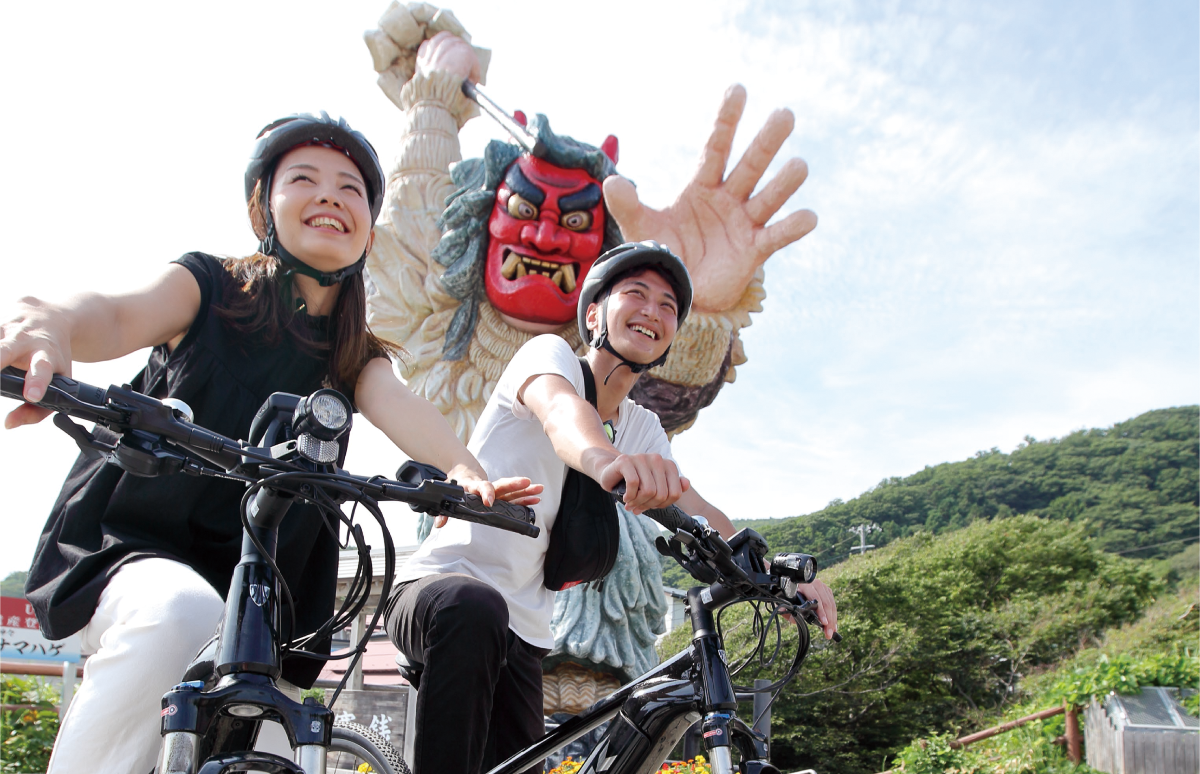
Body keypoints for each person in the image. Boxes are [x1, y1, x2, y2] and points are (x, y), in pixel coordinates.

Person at [0, 113, 540, 774]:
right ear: (264, 204)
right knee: (178, 617)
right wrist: (50, 325)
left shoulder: (352, 356)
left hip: (265, 592)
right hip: (133, 548)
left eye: (352, 189)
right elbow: (113, 313)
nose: (331, 196)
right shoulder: (206, 288)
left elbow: (407, 410)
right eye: (304, 179)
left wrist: (465, 474)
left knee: (284, 740)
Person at [384, 241, 838, 774]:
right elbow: (560, 412)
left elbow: (698, 509)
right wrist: (605, 462)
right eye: (637, 294)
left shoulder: (642, 426)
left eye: (668, 306)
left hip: (523, 636)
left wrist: (775, 576)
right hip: (440, 591)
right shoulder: (548, 356)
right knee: (474, 607)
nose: (653, 311)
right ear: (595, 313)